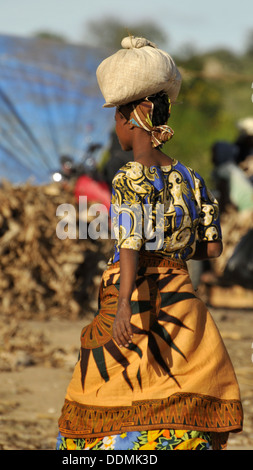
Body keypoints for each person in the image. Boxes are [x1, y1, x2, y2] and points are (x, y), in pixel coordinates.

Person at [56, 48, 243, 452]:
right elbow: (211, 249)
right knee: (184, 388)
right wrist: (174, 248)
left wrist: (124, 303)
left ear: (131, 119)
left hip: (137, 295)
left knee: (105, 394)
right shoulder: (192, 177)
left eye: (116, 118)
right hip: (182, 301)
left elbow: (129, 242)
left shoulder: (129, 176)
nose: (116, 128)